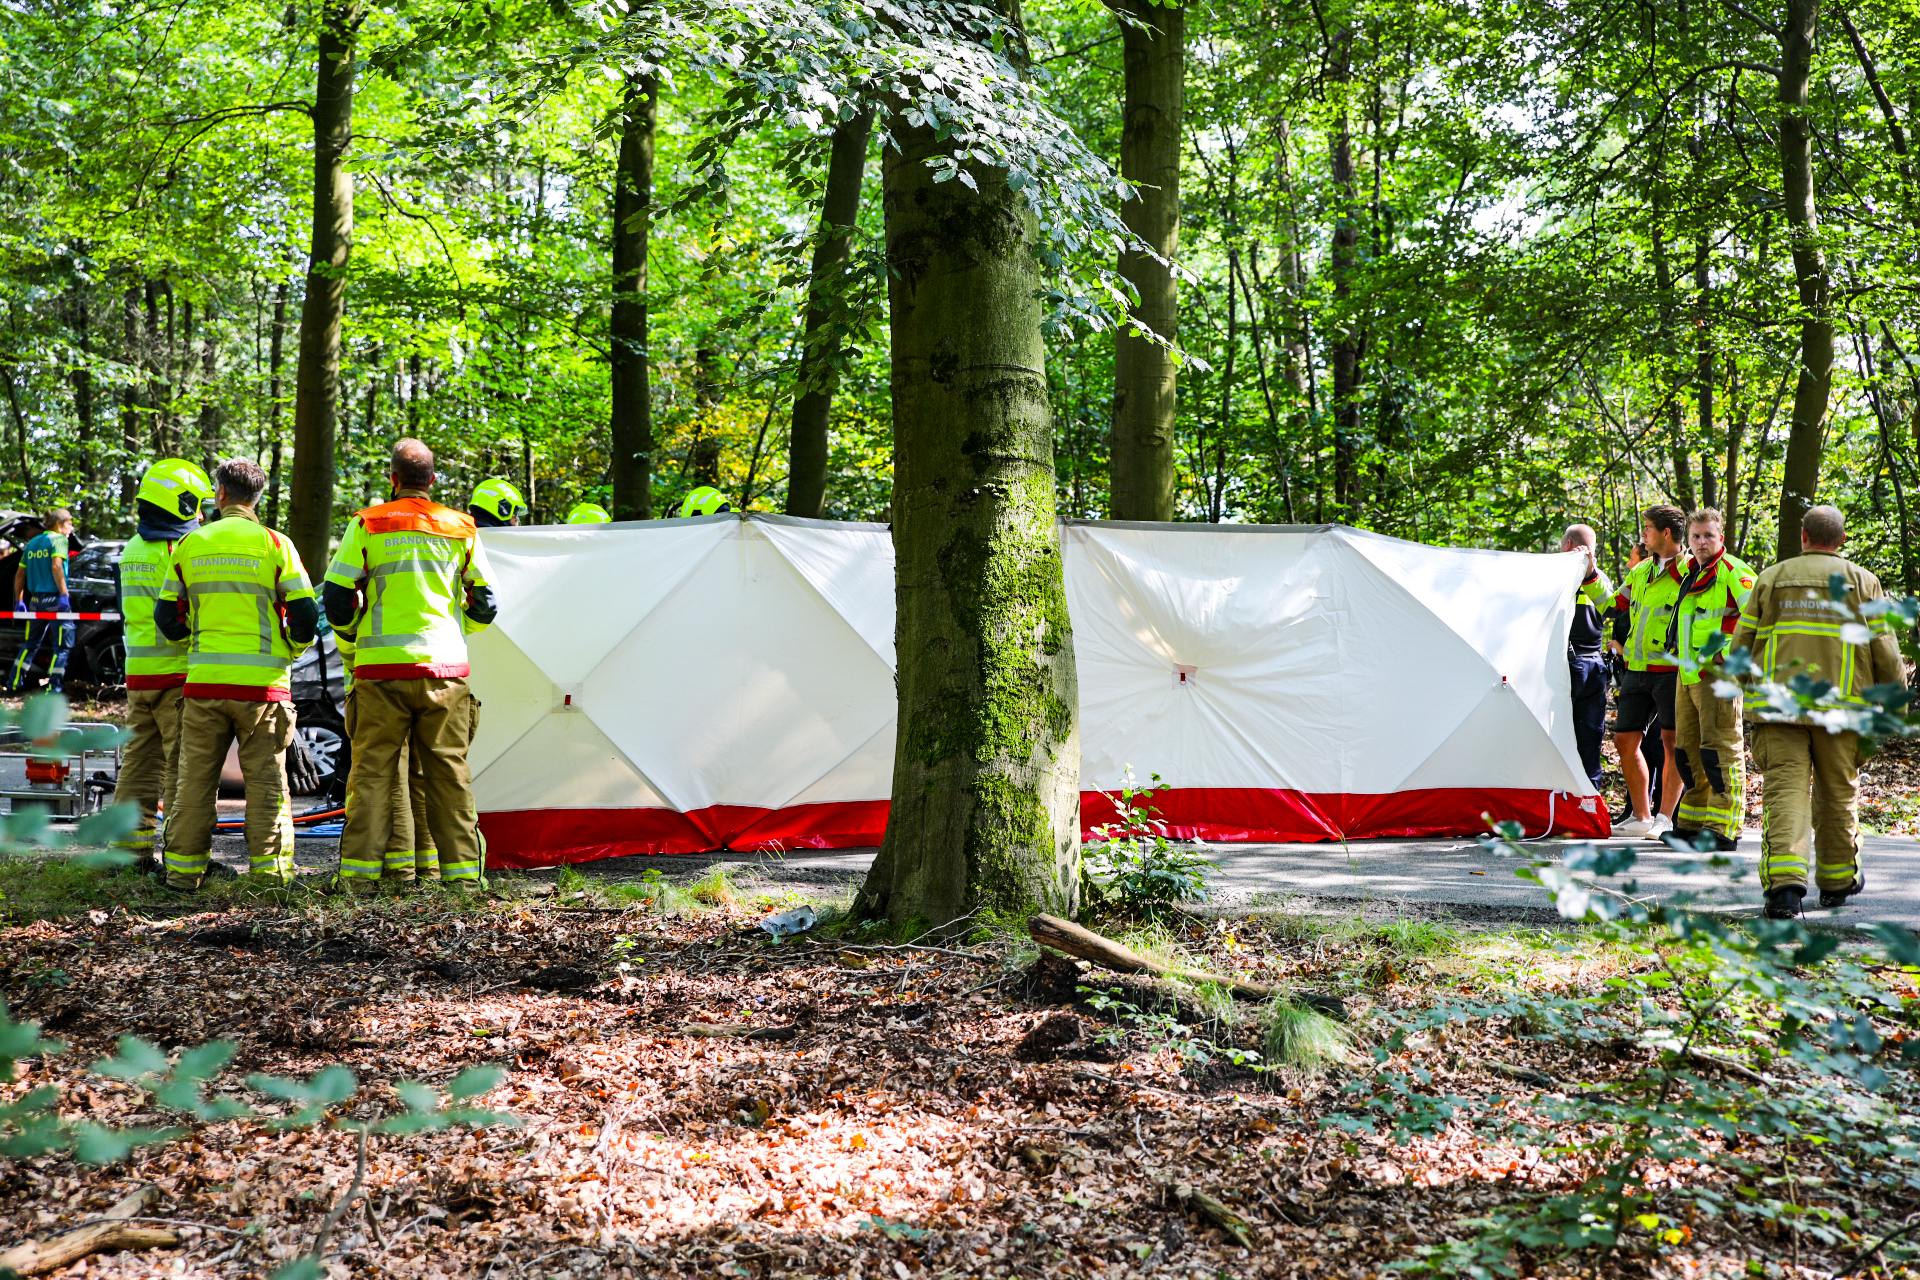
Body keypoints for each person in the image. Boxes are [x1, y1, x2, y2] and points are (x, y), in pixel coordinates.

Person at [323, 439, 496, 892]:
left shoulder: (368, 524)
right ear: (432, 481)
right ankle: (463, 883)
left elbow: (338, 596)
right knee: (449, 776)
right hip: (445, 672)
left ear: (393, 479)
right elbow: (488, 602)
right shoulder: (462, 527)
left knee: (373, 775)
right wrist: (461, 631)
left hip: (381, 673)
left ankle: (358, 882)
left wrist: (354, 637)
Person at [1732, 505, 1905, 919]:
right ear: (1841, 541)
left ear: (1804, 537)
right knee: (1838, 791)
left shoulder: (1771, 578)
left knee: (1786, 792)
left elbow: (1743, 641)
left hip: (1778, 709)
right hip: (1842, 709)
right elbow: (1884, 648)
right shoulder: (1863, 581)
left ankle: (1785, 890)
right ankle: (1837, 882)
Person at [154, 460, 317, 890]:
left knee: (193, 784)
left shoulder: (190, 545)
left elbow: (166, 617)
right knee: (267, 784)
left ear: (221, 494)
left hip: (204, 686)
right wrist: (291, 649)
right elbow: (305, 614)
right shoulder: (276, 544)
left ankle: (182, 878)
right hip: (263, 690)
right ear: (257, 498)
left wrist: (198, 644)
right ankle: (270, 880)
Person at [111, 460, 214, 856]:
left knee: (138, 766)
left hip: (139, 673)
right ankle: (182, 857)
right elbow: (187, 614)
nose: (202, 514)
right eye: (197, 505)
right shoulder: (177, 550)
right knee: (184, 770)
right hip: (175, 676)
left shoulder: (133, 549)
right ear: (181, 504)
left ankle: (128, 852)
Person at [1665, 508, 1755, 851]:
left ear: (1721, 538)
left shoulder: (1734, 572)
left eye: (1708, 536)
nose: (1701, 542)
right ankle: (1692, 822)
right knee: (1688, 749)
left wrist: (1728, 652)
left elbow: (1758, 619)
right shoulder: (1690, 571)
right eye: (1696, 536)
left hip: (1718, 675)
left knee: (1721, 750)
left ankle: (1723, 826)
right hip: (1687, 674)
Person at [1608, 505, 1689, 838]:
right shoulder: (1640, 570)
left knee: (1672, 743)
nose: (1643, 534)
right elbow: (1613, 605)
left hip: (1671, 670)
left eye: (1647, 528)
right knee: (1625, 738)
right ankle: (1641, 815)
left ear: (1665, 533)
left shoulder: (1690, 569)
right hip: (1636, 669)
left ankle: (1665, 818)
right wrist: (1589, 574)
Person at [1562, 524, 1613, 792]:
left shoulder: (1558, 575)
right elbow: (1613, 609)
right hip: (1596, 665)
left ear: (1568, 545)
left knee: (1562, 734)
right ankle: (1591, 798)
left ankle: (1563, 797)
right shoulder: (1601, 579)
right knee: (1591, 736)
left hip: (1567, 665)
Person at [9, 508, 78, 694]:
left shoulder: (32, 544)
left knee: (30, 645)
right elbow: (57, 566)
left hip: (36, 602)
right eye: (70, 523)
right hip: (56, 601)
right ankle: (53, 689)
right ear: (59, 524)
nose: (72, 528)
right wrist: (64, 594)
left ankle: (13, 684)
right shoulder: (60, 540)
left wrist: (19, 601)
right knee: (62, 647)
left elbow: (19, 575)